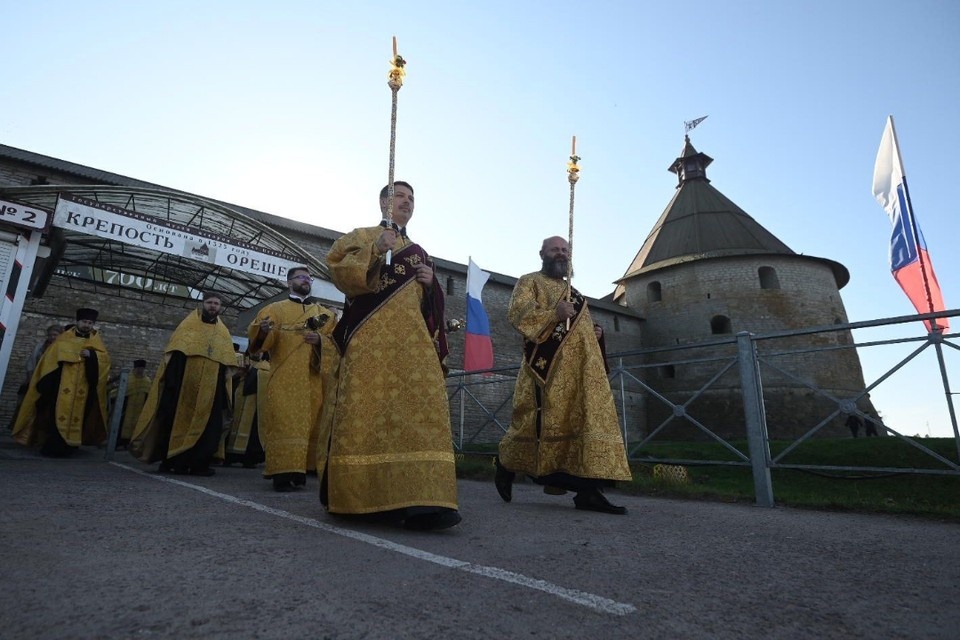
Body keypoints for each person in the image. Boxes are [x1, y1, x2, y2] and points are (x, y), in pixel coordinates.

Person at [321, 181, 461, 530]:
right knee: (366, 415)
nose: (407, 202)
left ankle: (426, 498)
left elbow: (431, 310)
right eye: (400, 196)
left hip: (414, 345)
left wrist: (432, 286)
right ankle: (360, 497)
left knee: (422, 412)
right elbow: (336, 269)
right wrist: (372, 250)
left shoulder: (418, 251)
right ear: (384, 202)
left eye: (412, 198)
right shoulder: (361, 234)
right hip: (370, 340)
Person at [495, 236, 632, 514]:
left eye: (565, 250)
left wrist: (595, 335)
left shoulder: (575, 293)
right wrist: (553, 314)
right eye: (555, 249)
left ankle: (588, 492)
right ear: (542, 253)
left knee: (579, 426)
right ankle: (505, 463)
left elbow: (578, 332)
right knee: (535, 427)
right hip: (546, 373)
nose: (561, 254)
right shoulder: (529, 281)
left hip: (578, 377)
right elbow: (519, 315)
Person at [247, 266, 337, 491]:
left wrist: (319, 340)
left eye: (308, 278)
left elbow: (335, 344)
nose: (306, 280)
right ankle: (281, 473)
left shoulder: (324, 313)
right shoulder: (274, 310)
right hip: (284, 378)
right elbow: (259, 347)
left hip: (312, 380)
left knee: (309, 424)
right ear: (289, 283)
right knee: (285, 424)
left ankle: (301, 471)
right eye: (301, 277)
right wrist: (264, 331)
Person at [130, 293, 236, 476]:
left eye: (216, 303)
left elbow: (225, 365)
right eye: (209, 302)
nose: (212, 306)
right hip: (183, 388)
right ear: (203, 304)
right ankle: (173, 462)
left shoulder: (223, 332)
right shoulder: (188, 326)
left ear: (220, 307)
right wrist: (173, 385)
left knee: (208, 428)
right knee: (173, 422)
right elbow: (175, 355)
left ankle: (198, 465)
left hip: (209, 393)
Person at [13, 309, 110, 457]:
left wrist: (92, 356)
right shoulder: (64, 339)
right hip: (61, 388)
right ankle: (53, 447)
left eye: (90, 323)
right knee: (55, 416)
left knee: (79, 417)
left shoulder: (96, 342)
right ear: (78, 322)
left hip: (83, 390)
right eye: (84, 322)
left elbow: (104, 363)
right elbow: (49, 361)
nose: (87, 325)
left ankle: (70, 447)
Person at [8, 323, 63, 430]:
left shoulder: (61, 348)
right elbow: (31, 362)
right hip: (36, 378)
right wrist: (30, 377)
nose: (52, 337)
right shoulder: (40, 346)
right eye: (50, 335)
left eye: (55, 335)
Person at [223, 352, 269, 469]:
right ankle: (229, 454)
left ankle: (249, 458)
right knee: (235, 422)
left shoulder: (265, 364)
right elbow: (236, 374)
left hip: (256, 398)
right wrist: (243, 371)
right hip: (241, 393)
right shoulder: (245, 359)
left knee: (252, 425)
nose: (258, 352)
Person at [110, 359, 152, 449]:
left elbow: (149, 395)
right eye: (138, 368)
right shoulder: (128, 379)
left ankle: (131, 443)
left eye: (141, 368)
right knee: (122, 423)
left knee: (137, 425)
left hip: (140, 409)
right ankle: (119, 442)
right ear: (135, 368)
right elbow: (120, 391)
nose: (140, 370)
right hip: (126, 407)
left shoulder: (147, 381)